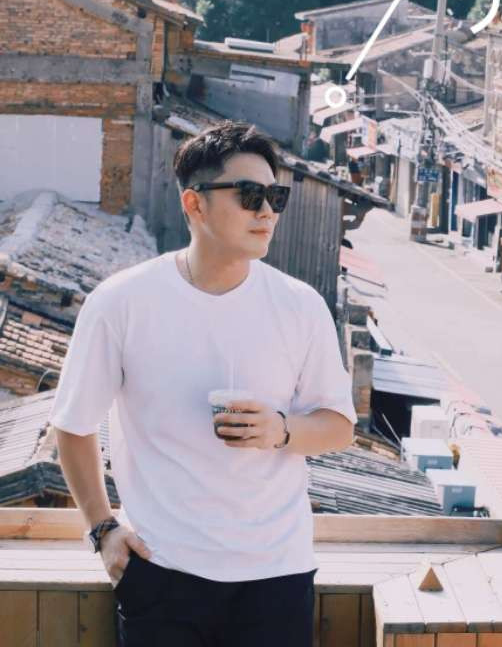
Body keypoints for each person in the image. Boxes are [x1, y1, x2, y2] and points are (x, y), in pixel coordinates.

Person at [48, 121, 357, 647]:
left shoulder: (300, 306)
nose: (267, 212)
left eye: (276, 197)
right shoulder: (122, 302)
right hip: (163, 572)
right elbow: (72, 425)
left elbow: (339, 426)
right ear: (194, 204)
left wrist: (280, 430)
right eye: (250, 195)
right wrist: (102, 529)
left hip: (277, 574)